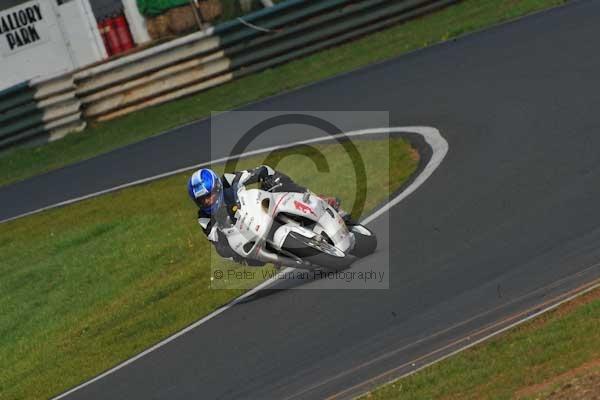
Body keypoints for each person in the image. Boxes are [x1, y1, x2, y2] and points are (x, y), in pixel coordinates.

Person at [187, 166, 341, 266]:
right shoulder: (204, 218)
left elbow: (259, 171)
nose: (207, 201)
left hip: (254, 210)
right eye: (202, 200)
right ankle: (291, 260)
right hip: (245, 235)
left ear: (217, 186)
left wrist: (264, 176)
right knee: (243, 258)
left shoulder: (227, 180)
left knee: (276, 183)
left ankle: (317, 199)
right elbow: (218, 244)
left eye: (209, 196)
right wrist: (225, 242)